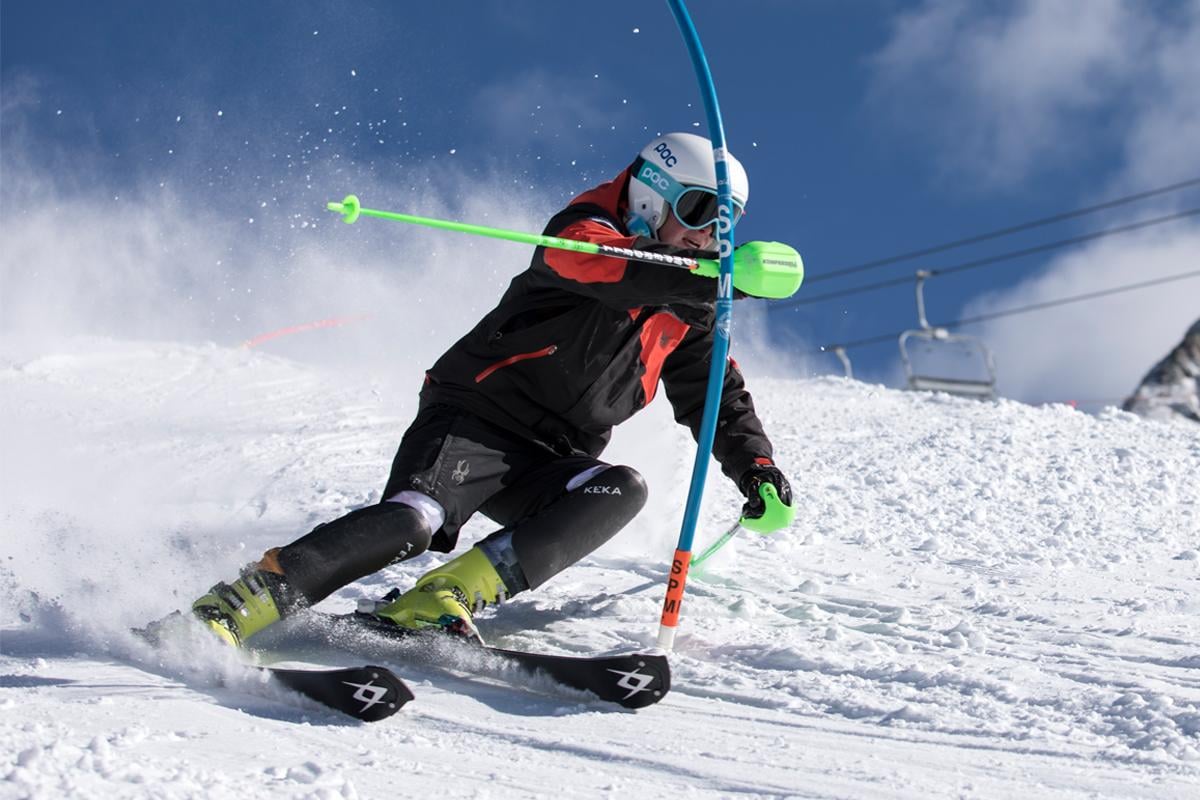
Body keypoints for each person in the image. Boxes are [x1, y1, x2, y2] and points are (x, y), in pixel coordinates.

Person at [188, 131, 795, 647]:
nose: (707, 236)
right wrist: (712, 278)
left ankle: (442, 598)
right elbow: (609, 270)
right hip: (474, 420)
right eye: (697, 211)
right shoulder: (583, 234)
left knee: (619, 488)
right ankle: (239, 605)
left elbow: (717, 395)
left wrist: (757, 468)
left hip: (553, 457)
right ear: (649, 198)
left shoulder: (692, 306)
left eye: (725, 222)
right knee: (413, 521)